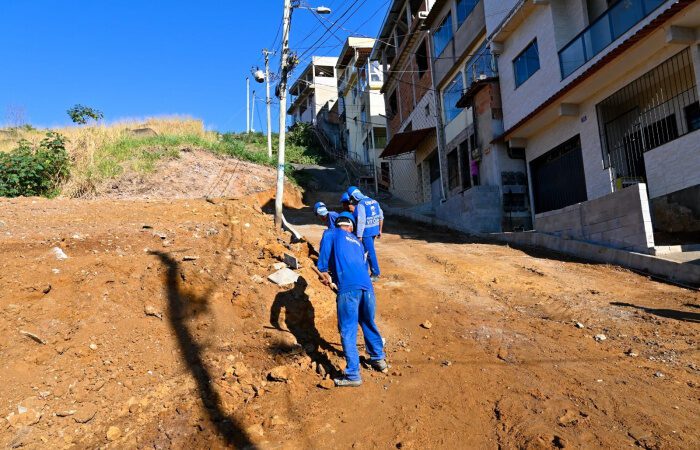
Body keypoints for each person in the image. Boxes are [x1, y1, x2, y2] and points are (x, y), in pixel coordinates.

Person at [317, 212, 388, 387]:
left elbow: (323, 263)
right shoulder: (358, 242)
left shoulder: (330, 233)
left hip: (349, 289)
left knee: (348, 329)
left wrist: (324, 273)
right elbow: (362, 267)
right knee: (367, 322)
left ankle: (353, 375)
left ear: (338, 224)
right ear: (351, 226)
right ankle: (379, 359)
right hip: (367, 289)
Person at [346, 186, 383, 281]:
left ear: (354, 196)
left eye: (352, 198)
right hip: (374, 231)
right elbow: (381, 216)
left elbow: (361, 221)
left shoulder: (361, 204)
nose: (352, 201)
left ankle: (375, 273)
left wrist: (359, 235)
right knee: (367, 252)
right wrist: (380, 230)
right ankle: (364, 271)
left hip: (366, 232)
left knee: (369, 253)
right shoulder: (374, 201)